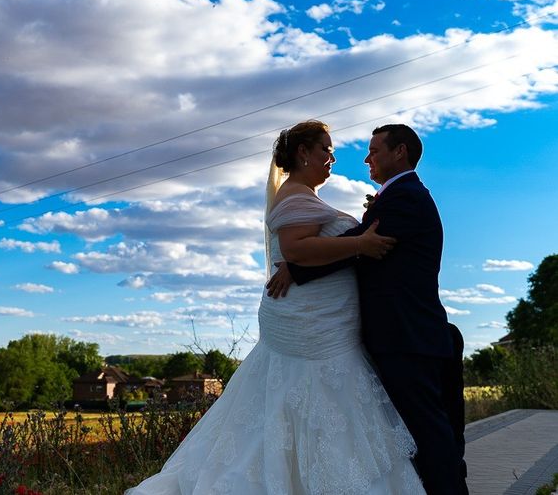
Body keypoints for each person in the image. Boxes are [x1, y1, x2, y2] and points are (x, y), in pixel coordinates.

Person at [126, 120, 426, 495]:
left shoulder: (302, 196)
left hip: (322, 323)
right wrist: (359, 245)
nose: (332, 157)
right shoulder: (296, 196)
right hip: (312, 330)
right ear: (303, 153)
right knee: (313, 404)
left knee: (306, 410)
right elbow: (297, 250)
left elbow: (303, 251)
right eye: (325, 150)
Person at [266, 123, 468, 494]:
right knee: (425, 434)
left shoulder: (405, 197)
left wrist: (295, 268)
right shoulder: (395, 198)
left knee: (430, 436)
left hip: (407, 337)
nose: (366, 157)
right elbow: (357, 244)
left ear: (400, 152)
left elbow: (356, 245)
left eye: (374, 151)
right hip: (392, 335)